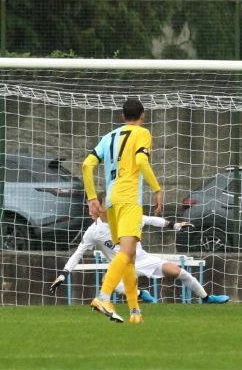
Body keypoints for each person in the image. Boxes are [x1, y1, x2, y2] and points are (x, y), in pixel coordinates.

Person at [49, 192, 229, 304]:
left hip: (142, 259)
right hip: (120, 266)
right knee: (107, 282)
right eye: (107, 203)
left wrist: (174, 225)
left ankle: (206, 298)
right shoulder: (93, 232)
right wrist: (63, 273)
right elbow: (78, 253)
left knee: (179, 272)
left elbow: (150, 219)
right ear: (100, 208)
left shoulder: (126, 218)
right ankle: (140, 293)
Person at [82, 97, 162, 323]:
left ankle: (135, 311)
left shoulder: (108, 137)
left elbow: (87, 165)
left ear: (122, 117)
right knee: (126, 253)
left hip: (111, 200)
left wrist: (91, 198)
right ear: (143, 115)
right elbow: (141, 162)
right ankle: (103, 297)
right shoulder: (142, 133)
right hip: (128, 199)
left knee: (129, 256)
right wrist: (156, 189)